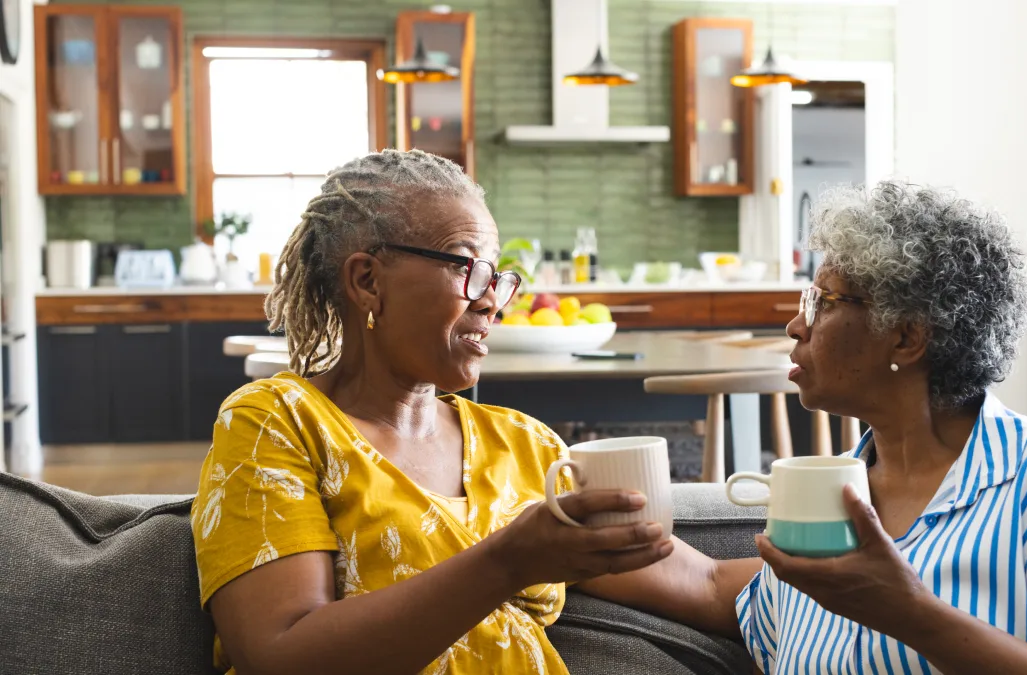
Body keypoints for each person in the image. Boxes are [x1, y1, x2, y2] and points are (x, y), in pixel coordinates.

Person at [190, 149, 760, 675]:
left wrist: (843, 569)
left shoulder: (523, 445)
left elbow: (708, 584)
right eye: (467, 268)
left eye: (497, 275)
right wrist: (507, 563)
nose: (492, 299)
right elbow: (279, 655)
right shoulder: (277, 422)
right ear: (367, 281)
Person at [737, 181, 1027, 673]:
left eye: (823, 301)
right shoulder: (833, 486)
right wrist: (647, 542)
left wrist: (912, 614)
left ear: (907, 338)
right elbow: (712, 587)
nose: (796, 325)